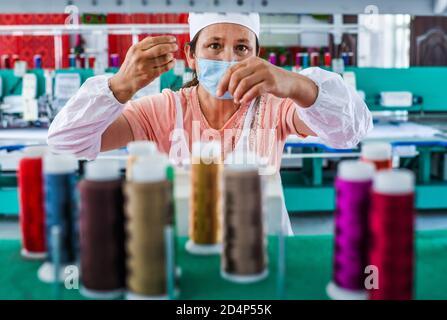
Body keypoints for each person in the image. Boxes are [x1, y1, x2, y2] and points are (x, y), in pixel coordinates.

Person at [48, 13, 373, 235]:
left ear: (259, 55)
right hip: (183, 248)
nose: (228, 58)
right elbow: (65, 143)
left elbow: (350, 131)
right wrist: (118, 87)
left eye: (242, 48)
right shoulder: (161, 110)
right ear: (191, 55)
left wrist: (296, 85)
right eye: (214, 46)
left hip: (262, 251)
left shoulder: (275, 108)